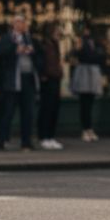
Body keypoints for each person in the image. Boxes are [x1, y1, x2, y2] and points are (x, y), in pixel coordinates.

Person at [0, 13, 42, 153]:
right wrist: (15, 50)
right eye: (18, 22)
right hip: (12, 80)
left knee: (28, 112)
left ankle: (26, 142)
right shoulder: (7, 38)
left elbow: (39, 56)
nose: (21, 25)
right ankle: (2, 140)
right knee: (7, 112)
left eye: (23, 22)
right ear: (13, 25)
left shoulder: (30, 38)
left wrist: (32, 51)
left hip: (28, 79)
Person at [69, 24, 105, 142]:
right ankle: (85, 129)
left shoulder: (96, 42)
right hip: (84, 73)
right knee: (84, 104)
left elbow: (101, 56)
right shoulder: (81, 42)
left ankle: (89, 129)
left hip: (93, 73)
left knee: (89, 103)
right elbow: (75, 55)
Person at [37, 22, 64, 150]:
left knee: (54, 109)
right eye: (56, 31)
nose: (59, 33)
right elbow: (41, 62)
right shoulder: (44, 45)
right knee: (47, 109)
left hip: (55, 78)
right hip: (48, 80)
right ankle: (44, 136)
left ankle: (50, 136)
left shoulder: (54, 45)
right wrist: (43, 75)